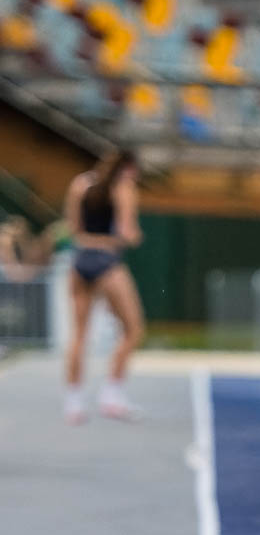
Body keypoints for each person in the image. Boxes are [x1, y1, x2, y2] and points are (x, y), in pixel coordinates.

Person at [63, 149, 145, 423]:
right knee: (133, 329)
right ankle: (112, 393)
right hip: (107, 262)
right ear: (128, 168)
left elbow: (73, 228)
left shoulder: (79, 184)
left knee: (79, 335)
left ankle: (74, 403)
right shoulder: (124, 187)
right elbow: (127, 232)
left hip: (80, 260)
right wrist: (134, 237)